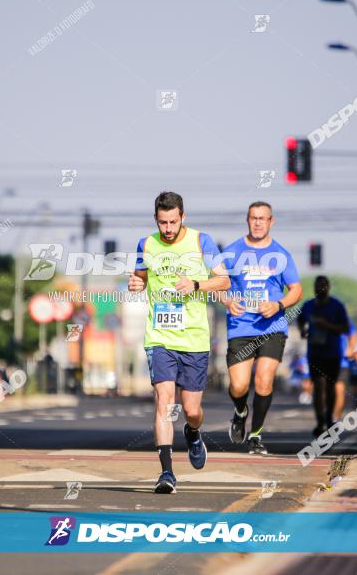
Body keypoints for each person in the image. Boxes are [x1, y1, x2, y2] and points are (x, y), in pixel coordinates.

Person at [128, 191, 229, 494]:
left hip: (194, 337)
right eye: (162, 223)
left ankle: (194, 432)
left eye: (173, 222)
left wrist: (197, 284)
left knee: (191, 409)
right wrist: (136, 282)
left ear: (182, 217)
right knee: (164, 401)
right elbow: (140, 277)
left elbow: (224, 280)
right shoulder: (145, 244)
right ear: (155, 219)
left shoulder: (202, 241)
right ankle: (167, 473)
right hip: (159, 336)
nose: (168, 229)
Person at [222, 202, 302, 455]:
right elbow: (217, 284)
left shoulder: (281, 255)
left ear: (271, 222)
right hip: (241, 327)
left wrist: (278, 305)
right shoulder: (232, 252)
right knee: (239, 386)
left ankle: (255, 435)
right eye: (253, 218)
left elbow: (296, 290)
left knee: (264, 380)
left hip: (272, 326)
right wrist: (227, 300)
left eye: (263, 218)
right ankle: (240, 411)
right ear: (247, 220)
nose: (258, 222)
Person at [297, 276, 350, 437]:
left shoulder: (337, 306)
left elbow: (346, 328)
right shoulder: (308, 305)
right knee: (318, 385)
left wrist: (327, 325)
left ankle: (329, 419)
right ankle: (320, 421)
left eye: (323, 286)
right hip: (315, 352)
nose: (320, 289)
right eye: (317, 286)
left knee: (330, 386)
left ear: (328, 287)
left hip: (333, 353)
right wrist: (303, 330)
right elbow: (300, 319)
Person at [335, 322, 357, 420]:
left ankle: (336, 417)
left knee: (339, 391)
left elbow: (353, 334)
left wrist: (351, 349)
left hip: (341, 364)